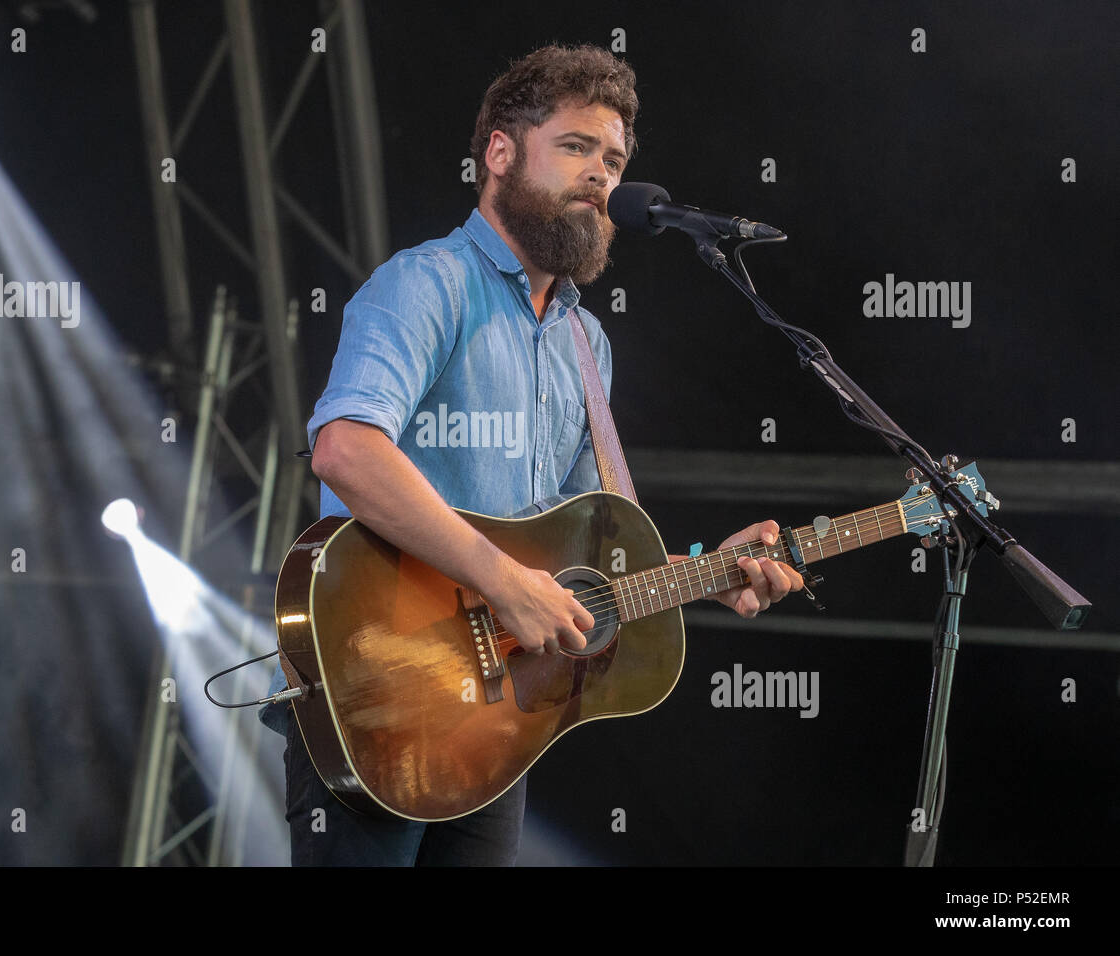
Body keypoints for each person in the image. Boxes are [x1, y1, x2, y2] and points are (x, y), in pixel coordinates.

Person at [259, 43, 804, 866]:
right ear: (501, 154)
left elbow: (589, 552)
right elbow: (344, 450)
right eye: (577, 147)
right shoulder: (425, 284)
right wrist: (501, 578)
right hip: (375, 694)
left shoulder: (590, 343)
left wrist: (704, 568)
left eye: (614, 160)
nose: (601, 176)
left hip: (497, 722)